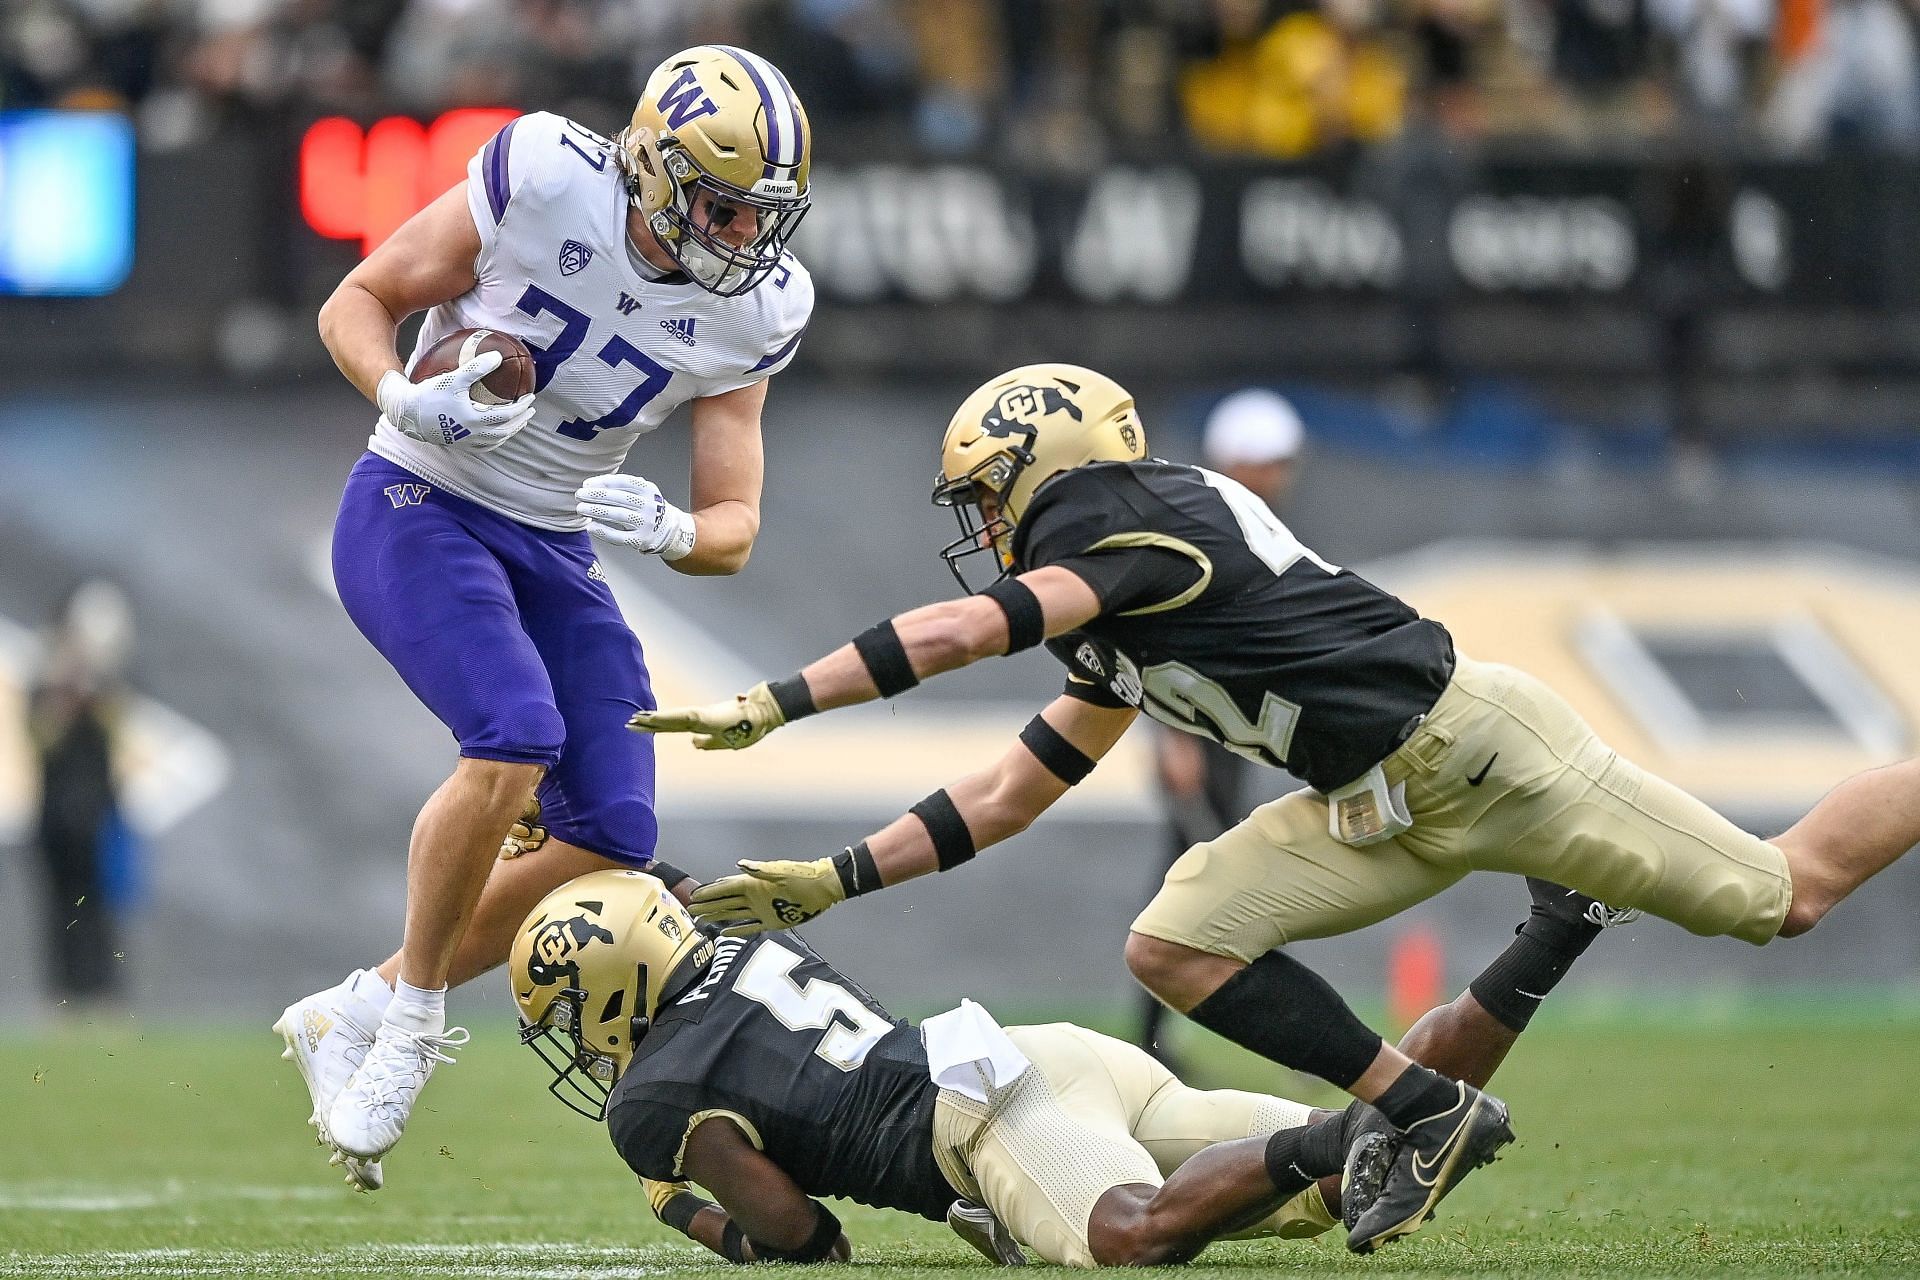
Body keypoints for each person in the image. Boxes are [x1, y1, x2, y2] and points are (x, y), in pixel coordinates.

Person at [631, 362, 1920, 1253]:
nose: (982, 522)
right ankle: (1420, 1106)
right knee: (1172, 939)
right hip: (1368, 801)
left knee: (1788, 893)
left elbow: (973, 626)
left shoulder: (1130, 514)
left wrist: (779, 700)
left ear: (1052, 468)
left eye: (988, 493)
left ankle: (1456, 1050)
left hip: (1485, 750)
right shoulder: (1118, 592)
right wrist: (832, 876)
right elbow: (1011, 788)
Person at [275, 44, 816, 1191]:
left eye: (759, 215)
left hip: (554, 540)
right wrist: (404, 393)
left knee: (613, 828)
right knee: (515, 734)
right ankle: (411, 1026)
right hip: (416, 498)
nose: (742, 238)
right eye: (722, 206)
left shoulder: (759, 305)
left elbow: (735, 523)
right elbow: (356, 299)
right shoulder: (545, 175)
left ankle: (354, 1006)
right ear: (657, 170)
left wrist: (670, 527)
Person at [511, 868, 1381, 1268]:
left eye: (568, 1011)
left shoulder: (657, 1098)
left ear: (613, 982)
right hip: (1043, 1054)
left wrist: (686, 1214)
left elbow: (805, 1240)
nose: (580, 1038)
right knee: (1355, 1176)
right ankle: (1410, 1110)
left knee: (1130, 1236)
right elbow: (660, 882)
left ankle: (1349, 1128)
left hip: (988, 1115)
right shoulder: (742, 933)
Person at [1139, 388, 1305, 1067]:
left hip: (1228, 728)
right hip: (1198, 728)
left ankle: (1158, 1037)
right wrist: (1171, 737)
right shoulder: (1208, 527)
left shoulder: (1247, 526)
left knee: (1204, 874)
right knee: (1204, 878)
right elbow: (1158, 631)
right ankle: (1168, 1036)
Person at [26, 581, 137, 1011]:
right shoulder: (45, 689)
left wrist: (94, 692)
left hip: (98, 814)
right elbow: (42, 740)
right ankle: (63, 997)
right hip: (54, 816)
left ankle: (105, 993)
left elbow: (118, 733)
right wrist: (65, 694)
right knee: (58, 905)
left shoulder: (105, 690)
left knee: (101, 905)